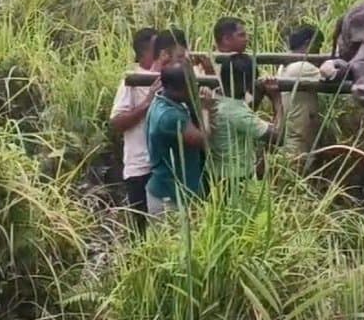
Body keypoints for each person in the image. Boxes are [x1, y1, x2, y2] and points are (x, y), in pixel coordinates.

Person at [145, 62, 215, 215]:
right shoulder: (170, 116)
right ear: (183, 87)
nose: (196, 87)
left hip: (172, 192)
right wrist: (205, 109)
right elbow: (203, 140)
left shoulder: (163, 101)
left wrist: (191, 100)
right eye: (192, 84)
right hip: (170, 198)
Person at [108, 27, 158, 232]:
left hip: (163, 167)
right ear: (145, 52)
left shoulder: (169, 75)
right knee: (141, 231)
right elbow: (117, 123)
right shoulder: (131, 81)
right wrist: (147, 102)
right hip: (140, 167)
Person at [208, 55, 283, 186]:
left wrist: (258, 91)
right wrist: (276, 98)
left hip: (217, 174)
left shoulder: (215, 99)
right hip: (236, 179)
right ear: (248, 84)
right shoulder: (236, 113)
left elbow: (245, 112)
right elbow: (278, 137)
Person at [276, 24, 328, 165]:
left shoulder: (286, 65)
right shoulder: (302, 67)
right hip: (298, 140)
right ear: (308, 43)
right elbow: (332, 77)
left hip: (293, 135)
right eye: (318, 46)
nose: (319, 51)